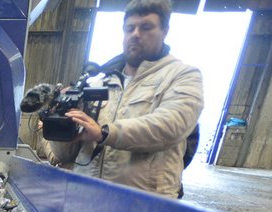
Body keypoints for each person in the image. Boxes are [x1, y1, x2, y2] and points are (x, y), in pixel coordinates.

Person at [46, 0, 203, 199]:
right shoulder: (99, 81)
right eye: (130, 28)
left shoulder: (183, 76)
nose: (136, 34)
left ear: (165, 31)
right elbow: (64, 155)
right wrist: (60, 121)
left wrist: (105, 133)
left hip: (143, 205)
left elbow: (170, 126)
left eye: (146, 27)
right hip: (85, 197)